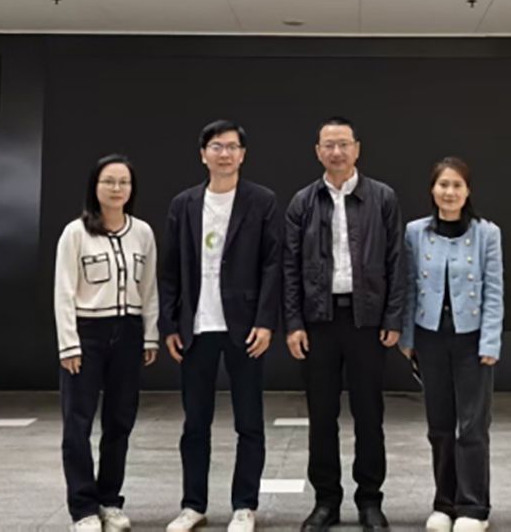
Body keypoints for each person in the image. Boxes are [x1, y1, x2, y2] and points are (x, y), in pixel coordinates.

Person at [283, 117, 406, 532]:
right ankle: (326, 501)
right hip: (318, 321)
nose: (336, 152)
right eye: (329, 145)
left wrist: (392, 316)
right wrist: (293, 322)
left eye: (343, 144)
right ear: (318, 151)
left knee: (369, 414)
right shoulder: (303, 202)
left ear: (357, 149)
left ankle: (370, 500)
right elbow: (290, 267)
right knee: (322, 416)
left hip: (366, 320)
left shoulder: (382, 198)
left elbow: (396, 260)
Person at [159, 120, 283, 532]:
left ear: (243, 155)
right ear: (203, 154)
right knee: (195, 423)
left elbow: (273, 264)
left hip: (244, 327)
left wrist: (266, 321)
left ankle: (244, 506)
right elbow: (170, 269)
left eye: (232, 147)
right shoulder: (184, 204)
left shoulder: (262, 201)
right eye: (216, 146)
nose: (224, 153)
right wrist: (170, 323)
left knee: (249, 422)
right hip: (196, 327)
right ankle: (192, 505)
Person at [54, 154, 159, 532]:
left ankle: (110, 501)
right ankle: (83, 509)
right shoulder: (76, 233)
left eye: (124, 182)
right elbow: (63, 292)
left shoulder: (142, 233)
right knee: (77, 424)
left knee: (119, 421)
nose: (117, 189)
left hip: (128, 333)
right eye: (109, 181)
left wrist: (150, 334)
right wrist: (69, 344)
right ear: (94, 187)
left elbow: (149, 289)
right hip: (87, 333)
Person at [399, 157, 503, 532]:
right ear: (432, 190)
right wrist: (407, 338)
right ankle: (444, 503)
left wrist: (490, 340)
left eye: (457, 185)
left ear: (468, 190)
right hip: (429, 335)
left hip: (471, 337)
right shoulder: (415, 232)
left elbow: (494, 290)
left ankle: (474, 507)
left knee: (472, 426)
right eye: (443, 184)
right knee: (440, 426)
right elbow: (409, 287)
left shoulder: (486, 233)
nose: (449, 192)